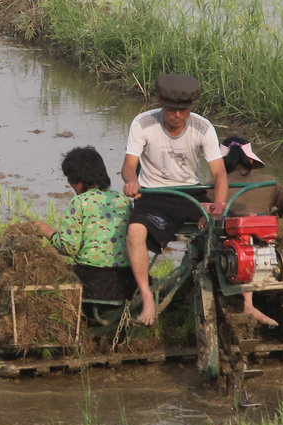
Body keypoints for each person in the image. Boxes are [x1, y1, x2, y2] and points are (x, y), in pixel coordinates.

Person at [121, 73, 229, 326]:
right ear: (160, 102)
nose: (178, 116)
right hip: (154, 196)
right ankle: (147, 297)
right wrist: (131, 181)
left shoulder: (203, 127)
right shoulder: (142, 123)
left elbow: (219, 173)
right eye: (171, 110)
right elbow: (128, 165)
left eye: (184, 110)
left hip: (190, 196)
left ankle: (240, 299)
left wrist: (218, 208)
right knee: (135, 231)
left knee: (235, 230)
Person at [220, 135, 283, 326]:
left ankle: (247, 304)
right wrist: (276, 219)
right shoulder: (269, 184)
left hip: (228, 252)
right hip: (264, 246)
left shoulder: (212, 188)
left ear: (220, 162)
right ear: (251, 160)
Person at [35, 146, 136, 301]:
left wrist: (48, 232)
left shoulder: (80, 202)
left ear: (78, 179)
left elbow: (69, 248)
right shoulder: (122, 200)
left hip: (92, 283)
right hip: (127, 282)